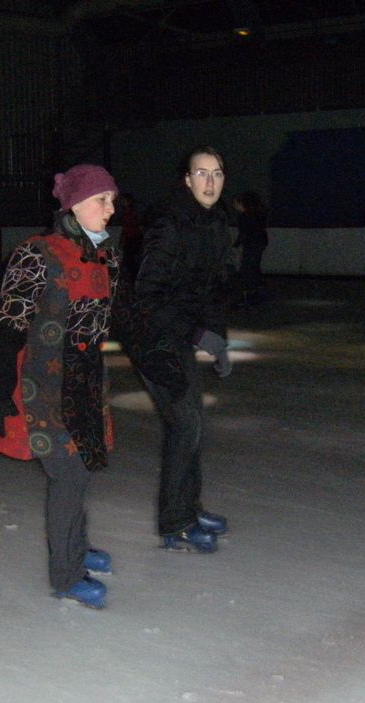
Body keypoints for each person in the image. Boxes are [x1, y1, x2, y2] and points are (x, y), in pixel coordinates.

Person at [0, 164, 122, 609]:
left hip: (86, 382)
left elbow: (114, 319)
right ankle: (67, 573)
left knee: (82, 470)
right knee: (68, 475)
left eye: (113, 199)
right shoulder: (37, 255)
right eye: (102, 200)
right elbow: (7, 328)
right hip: (45, 387)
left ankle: (75, 546)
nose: (111, 208)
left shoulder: (104, 255)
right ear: (74, 205)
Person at [132, 146, 233, 553]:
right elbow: (146, 297)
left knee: (192, 425)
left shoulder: (215, 224)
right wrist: (197, 335)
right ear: (187, 180)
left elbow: (211, 290)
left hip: (180, 333)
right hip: (152, 337)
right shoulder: (170, 225)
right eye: (201, 174)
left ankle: (188, 509)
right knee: (185, 424)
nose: (210, 182)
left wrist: (217, 336)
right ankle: (175, 523)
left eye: (217, 173)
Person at [232, 190, 269, 309]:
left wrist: (235, 245)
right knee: (253, 268)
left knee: (247, 270)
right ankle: (258, 293)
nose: (234, 206)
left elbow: (244, 233)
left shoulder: (245, 216)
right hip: (259, 242)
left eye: (236, 203)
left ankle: (249, 296)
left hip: (252, 244)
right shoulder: (257, 214)